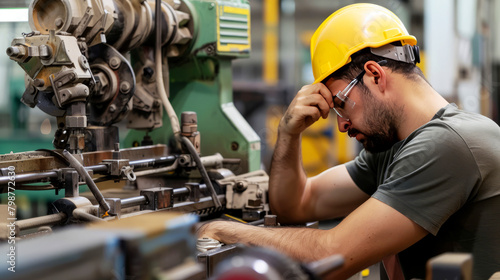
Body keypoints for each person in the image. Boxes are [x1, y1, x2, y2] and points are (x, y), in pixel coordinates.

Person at [198, 3, 500, 279]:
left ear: (374, 75)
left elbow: (332, 256)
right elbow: (298, 204)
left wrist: (219, 230)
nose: (341, 124)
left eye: (340, 103)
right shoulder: (394, 149)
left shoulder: (447, 144)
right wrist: (289, 134)